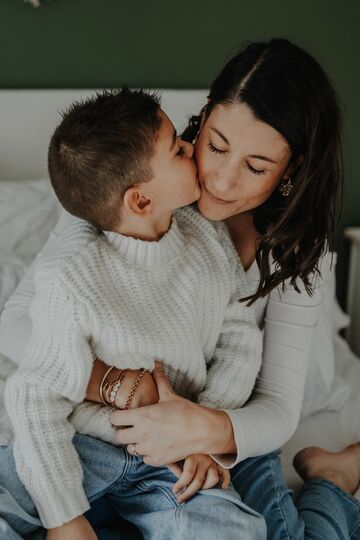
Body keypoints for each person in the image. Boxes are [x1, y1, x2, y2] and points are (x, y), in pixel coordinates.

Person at [1, 37, 360, 539]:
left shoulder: (298, 249)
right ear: (205, 114)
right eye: (214, 145)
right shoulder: (130, 176)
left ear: (291, 171)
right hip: (106, 429)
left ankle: (333, 477)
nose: (221, 179)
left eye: (256, 167)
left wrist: (198, 433)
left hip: (226, 427)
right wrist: (117, 386)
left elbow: (277, 402)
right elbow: (16, 326)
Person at [3, 88, 266, 540]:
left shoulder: (206, 237)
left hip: (168, 457)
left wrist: (205, 435)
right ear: (141, 201)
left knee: (233, 529)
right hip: (82, 445)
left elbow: (239, 338)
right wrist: (64, 518)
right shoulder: (71, 276)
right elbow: (34, 399)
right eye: (179, 150)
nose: (193, 148)